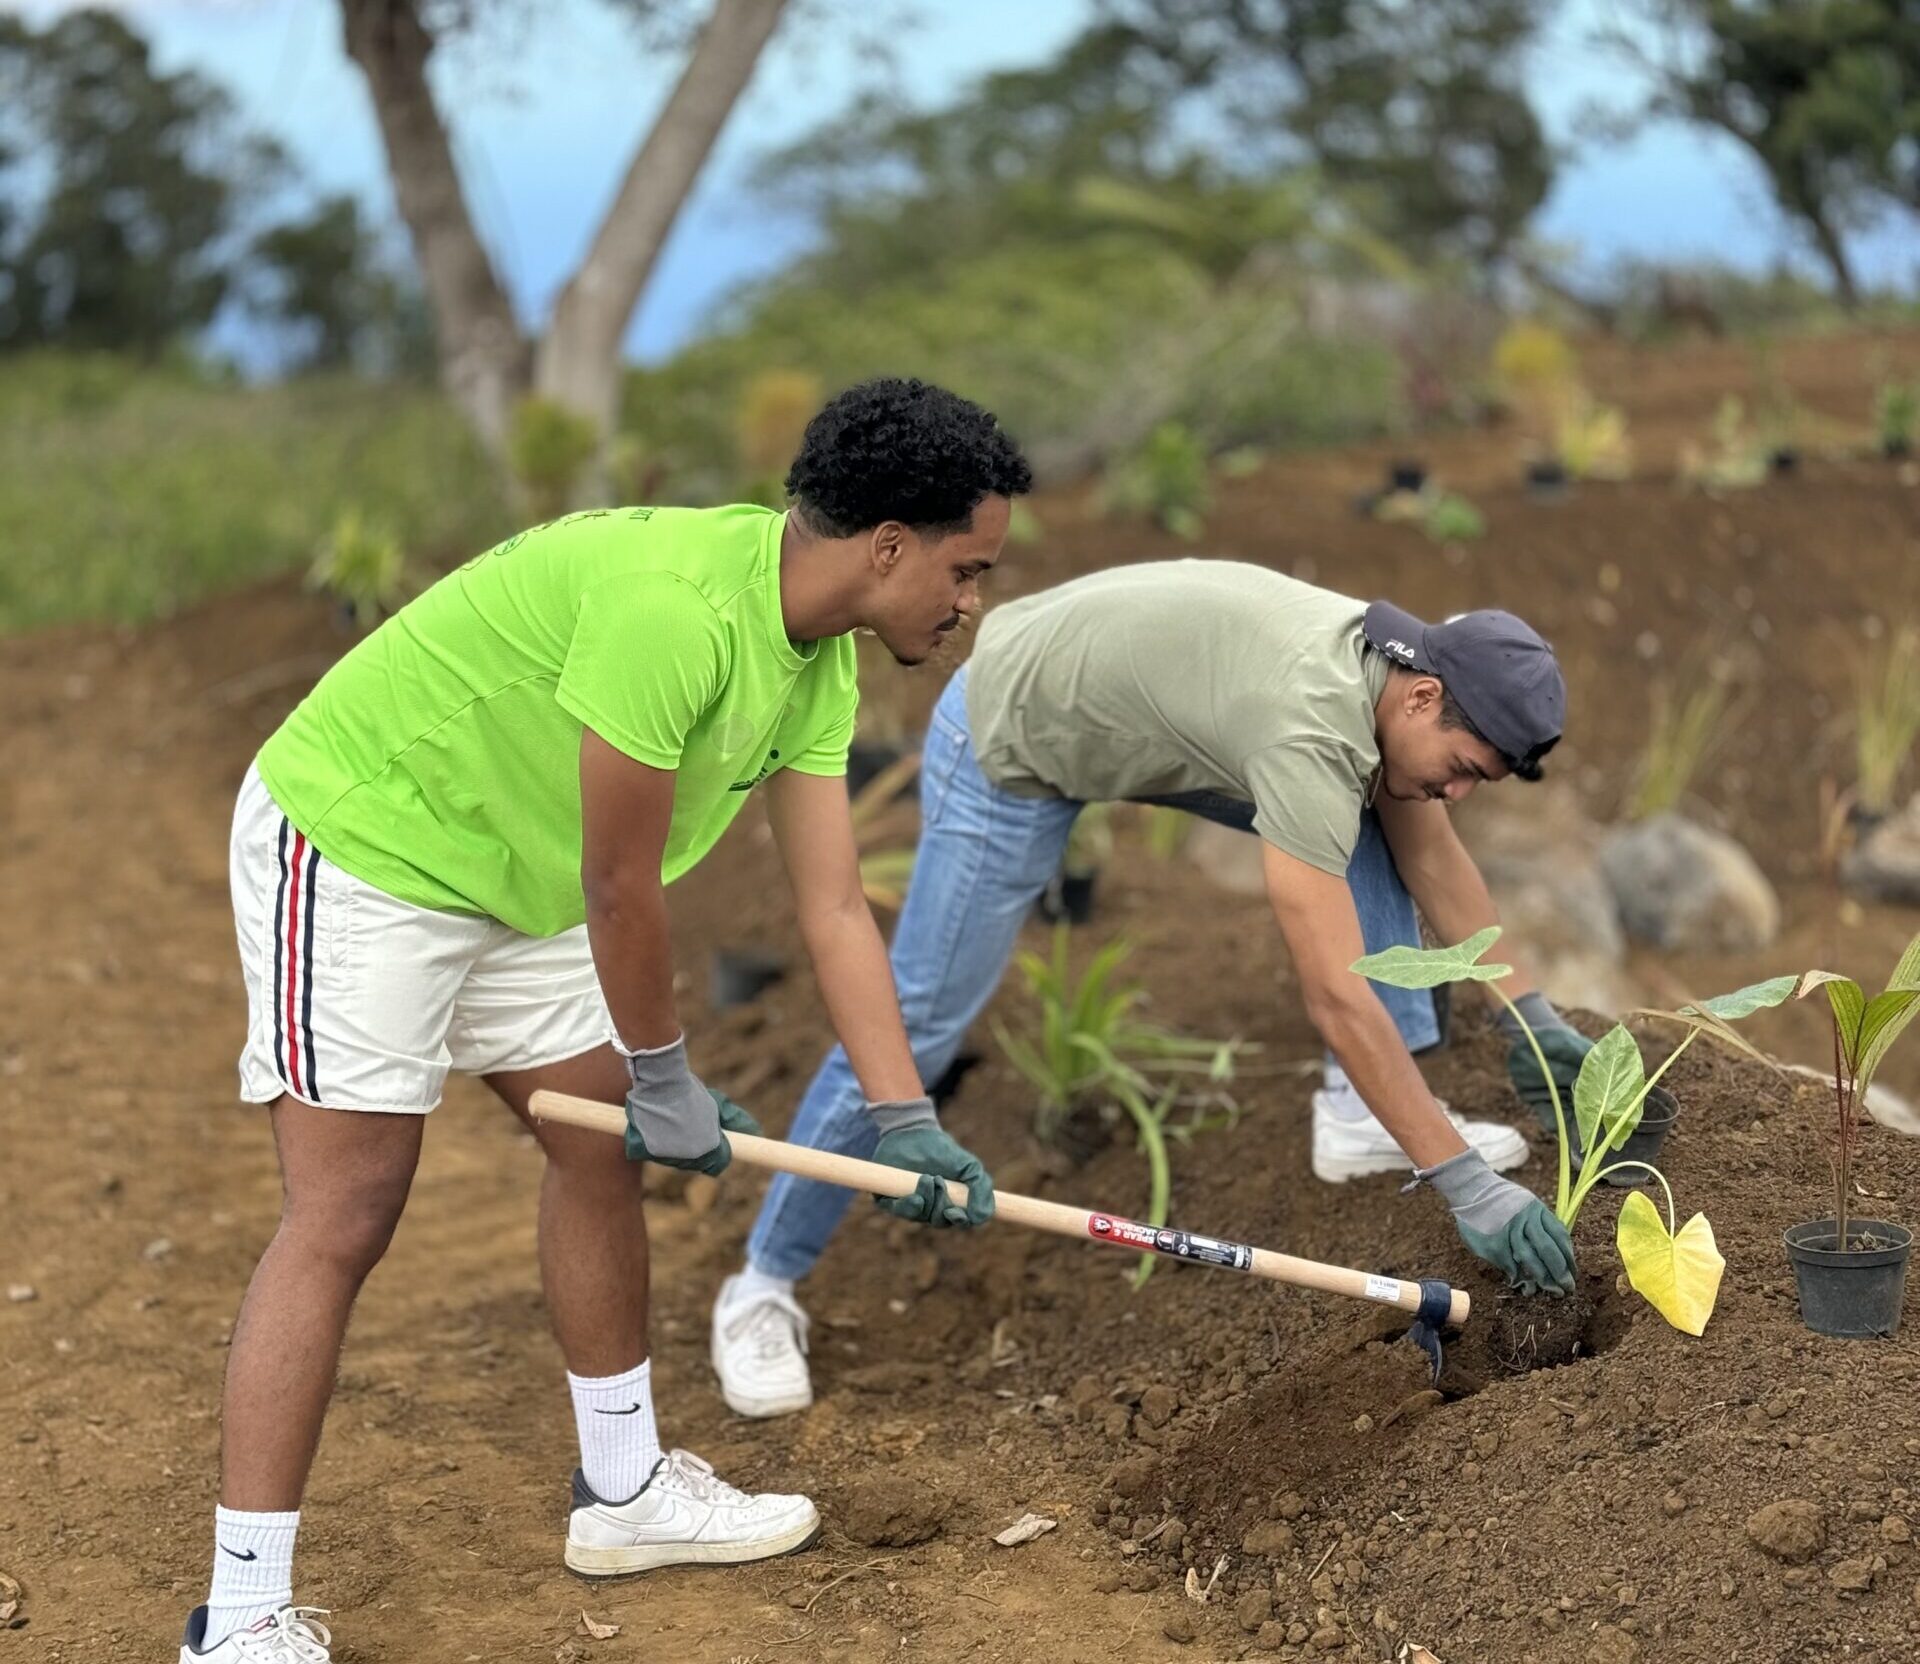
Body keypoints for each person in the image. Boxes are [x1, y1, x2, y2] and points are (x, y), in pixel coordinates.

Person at [182, 378, 1027, 1662]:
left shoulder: (815, 662)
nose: (973, 602)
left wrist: (904, 1115)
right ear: (888, 546)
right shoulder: (674, 611)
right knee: (348, 1205)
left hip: (513, 876)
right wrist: (667, 1071)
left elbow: (836, 906)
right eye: (966, 570)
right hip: (369, 843)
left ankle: (623, 1490)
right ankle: (238, 1613)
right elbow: (620, 883)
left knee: (597, 1145)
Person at [711, 560, 1602, 1419]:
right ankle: (763, 1282)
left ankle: (1360, 1111)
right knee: (909, 1026)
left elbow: (1432, 851)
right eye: (1465, 766)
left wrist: (1527, 1015)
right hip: (1013, 735)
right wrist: (1464, 1183)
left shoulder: (1393, 686)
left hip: (1141, 711)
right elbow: (1333, 994)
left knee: (1387, 806)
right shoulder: (1312, 724)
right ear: (1421, 696)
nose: (1459, 790)